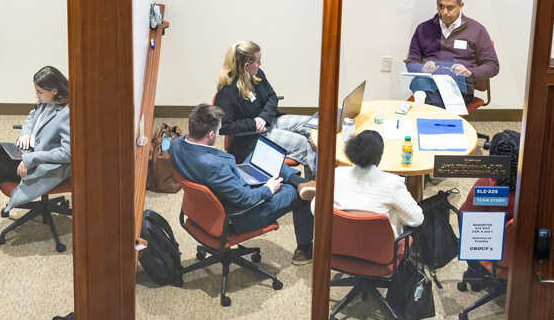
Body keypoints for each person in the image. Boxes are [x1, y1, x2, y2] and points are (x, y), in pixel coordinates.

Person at [170, 103, 316, 263]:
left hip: (209, 200)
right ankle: (304, 252)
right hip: (238, 213)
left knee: (261, 159)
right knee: (299, 196)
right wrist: (268, 188)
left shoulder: (177, 144)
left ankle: (300, 181)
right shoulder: (214, 166)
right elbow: (245, 199)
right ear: (210, 134)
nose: (219, 134)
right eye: (218, 131)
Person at [0, 66, 69, 250]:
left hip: (42, 164)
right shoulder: (46, 101)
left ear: (55, 91)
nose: (36, 95)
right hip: (27, 154)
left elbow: (68, 153)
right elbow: (32, 116)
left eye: (39, 91)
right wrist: (26, 133)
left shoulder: (67, 113)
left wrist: (31, 158)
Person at [213, 40, 317, 179]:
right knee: (304, 144)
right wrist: (253, 123)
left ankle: (318, 176)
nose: (260, 64)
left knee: (314, 127)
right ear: (247, 66)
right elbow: (223, 127)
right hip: (253, 137)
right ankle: (316, 187)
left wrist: (263, 117)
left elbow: (272, 97)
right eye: (258, 61)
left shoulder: (256, 74)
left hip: (270, 120)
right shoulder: (226, 94)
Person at [404, 0, 499, 110]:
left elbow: (492, 66)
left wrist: (470, 72)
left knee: (427, 104)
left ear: (461, 6)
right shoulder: (423, 28)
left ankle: (436, 116)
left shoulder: (477, 30)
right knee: (419, 83)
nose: (444, 12)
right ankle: (444, 119)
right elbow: (411, 63)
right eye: (441, 6)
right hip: (429, 81)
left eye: (450, 8)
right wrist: (422, 68)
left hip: (459, 84)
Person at [317, 130, 423, 236]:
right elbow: (417, 219)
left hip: (340, 243)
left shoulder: (335, 174)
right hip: (381, 248)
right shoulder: (392, 183)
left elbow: (315, 209)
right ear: (380, 157)